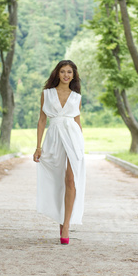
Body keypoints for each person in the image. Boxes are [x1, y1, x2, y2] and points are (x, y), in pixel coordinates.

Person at [33, 60, 86, 245]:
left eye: (69, 72)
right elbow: (41, 121)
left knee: (71, 180)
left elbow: (77, 122)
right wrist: (38, 146)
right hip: (54, 137)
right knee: (56, 180)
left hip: (73, 138)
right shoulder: (46, 94)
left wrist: (81, 146)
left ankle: (66, 226)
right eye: (63, 71)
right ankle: (60, 218)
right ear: (57, 73)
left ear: (73, 75)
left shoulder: (76, 97)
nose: (66, 75)